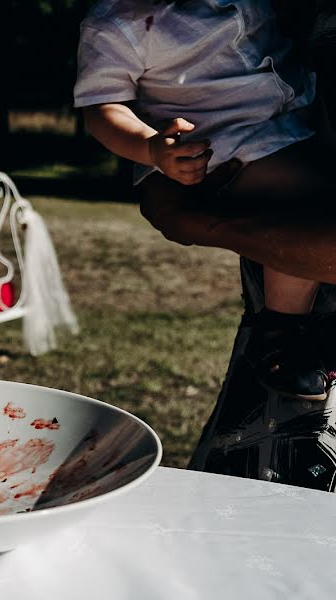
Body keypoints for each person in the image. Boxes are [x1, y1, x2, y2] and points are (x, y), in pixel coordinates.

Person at [75, 0, 336, 489]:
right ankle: (282, 327)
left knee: (305, 202)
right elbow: (102, 108)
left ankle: (282, 329)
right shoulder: (118, 23)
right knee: (301, 205)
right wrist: (151, 148)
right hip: (225, 147)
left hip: (289, 122)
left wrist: (200, 224)